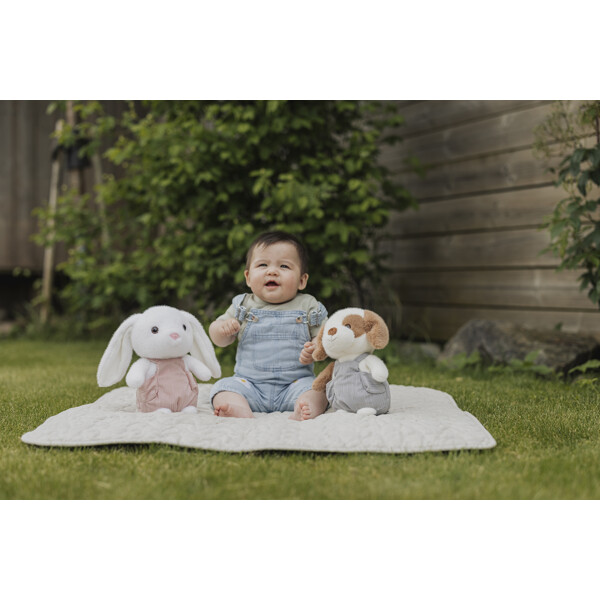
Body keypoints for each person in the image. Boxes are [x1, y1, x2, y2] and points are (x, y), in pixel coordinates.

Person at [208, 231, 329, 420]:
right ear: (248, 277)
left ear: (302, 280)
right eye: (263, 265)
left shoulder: (308, 306)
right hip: (249, 385)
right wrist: (222, 330)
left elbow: (326, 337)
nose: (272, 271)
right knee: (223, 388)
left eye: (284, 266)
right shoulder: (242, 306)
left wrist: (315, 347)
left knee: (319, 389)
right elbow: (218, 339)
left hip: (295, 385)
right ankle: (238, 408)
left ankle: (304, 407)